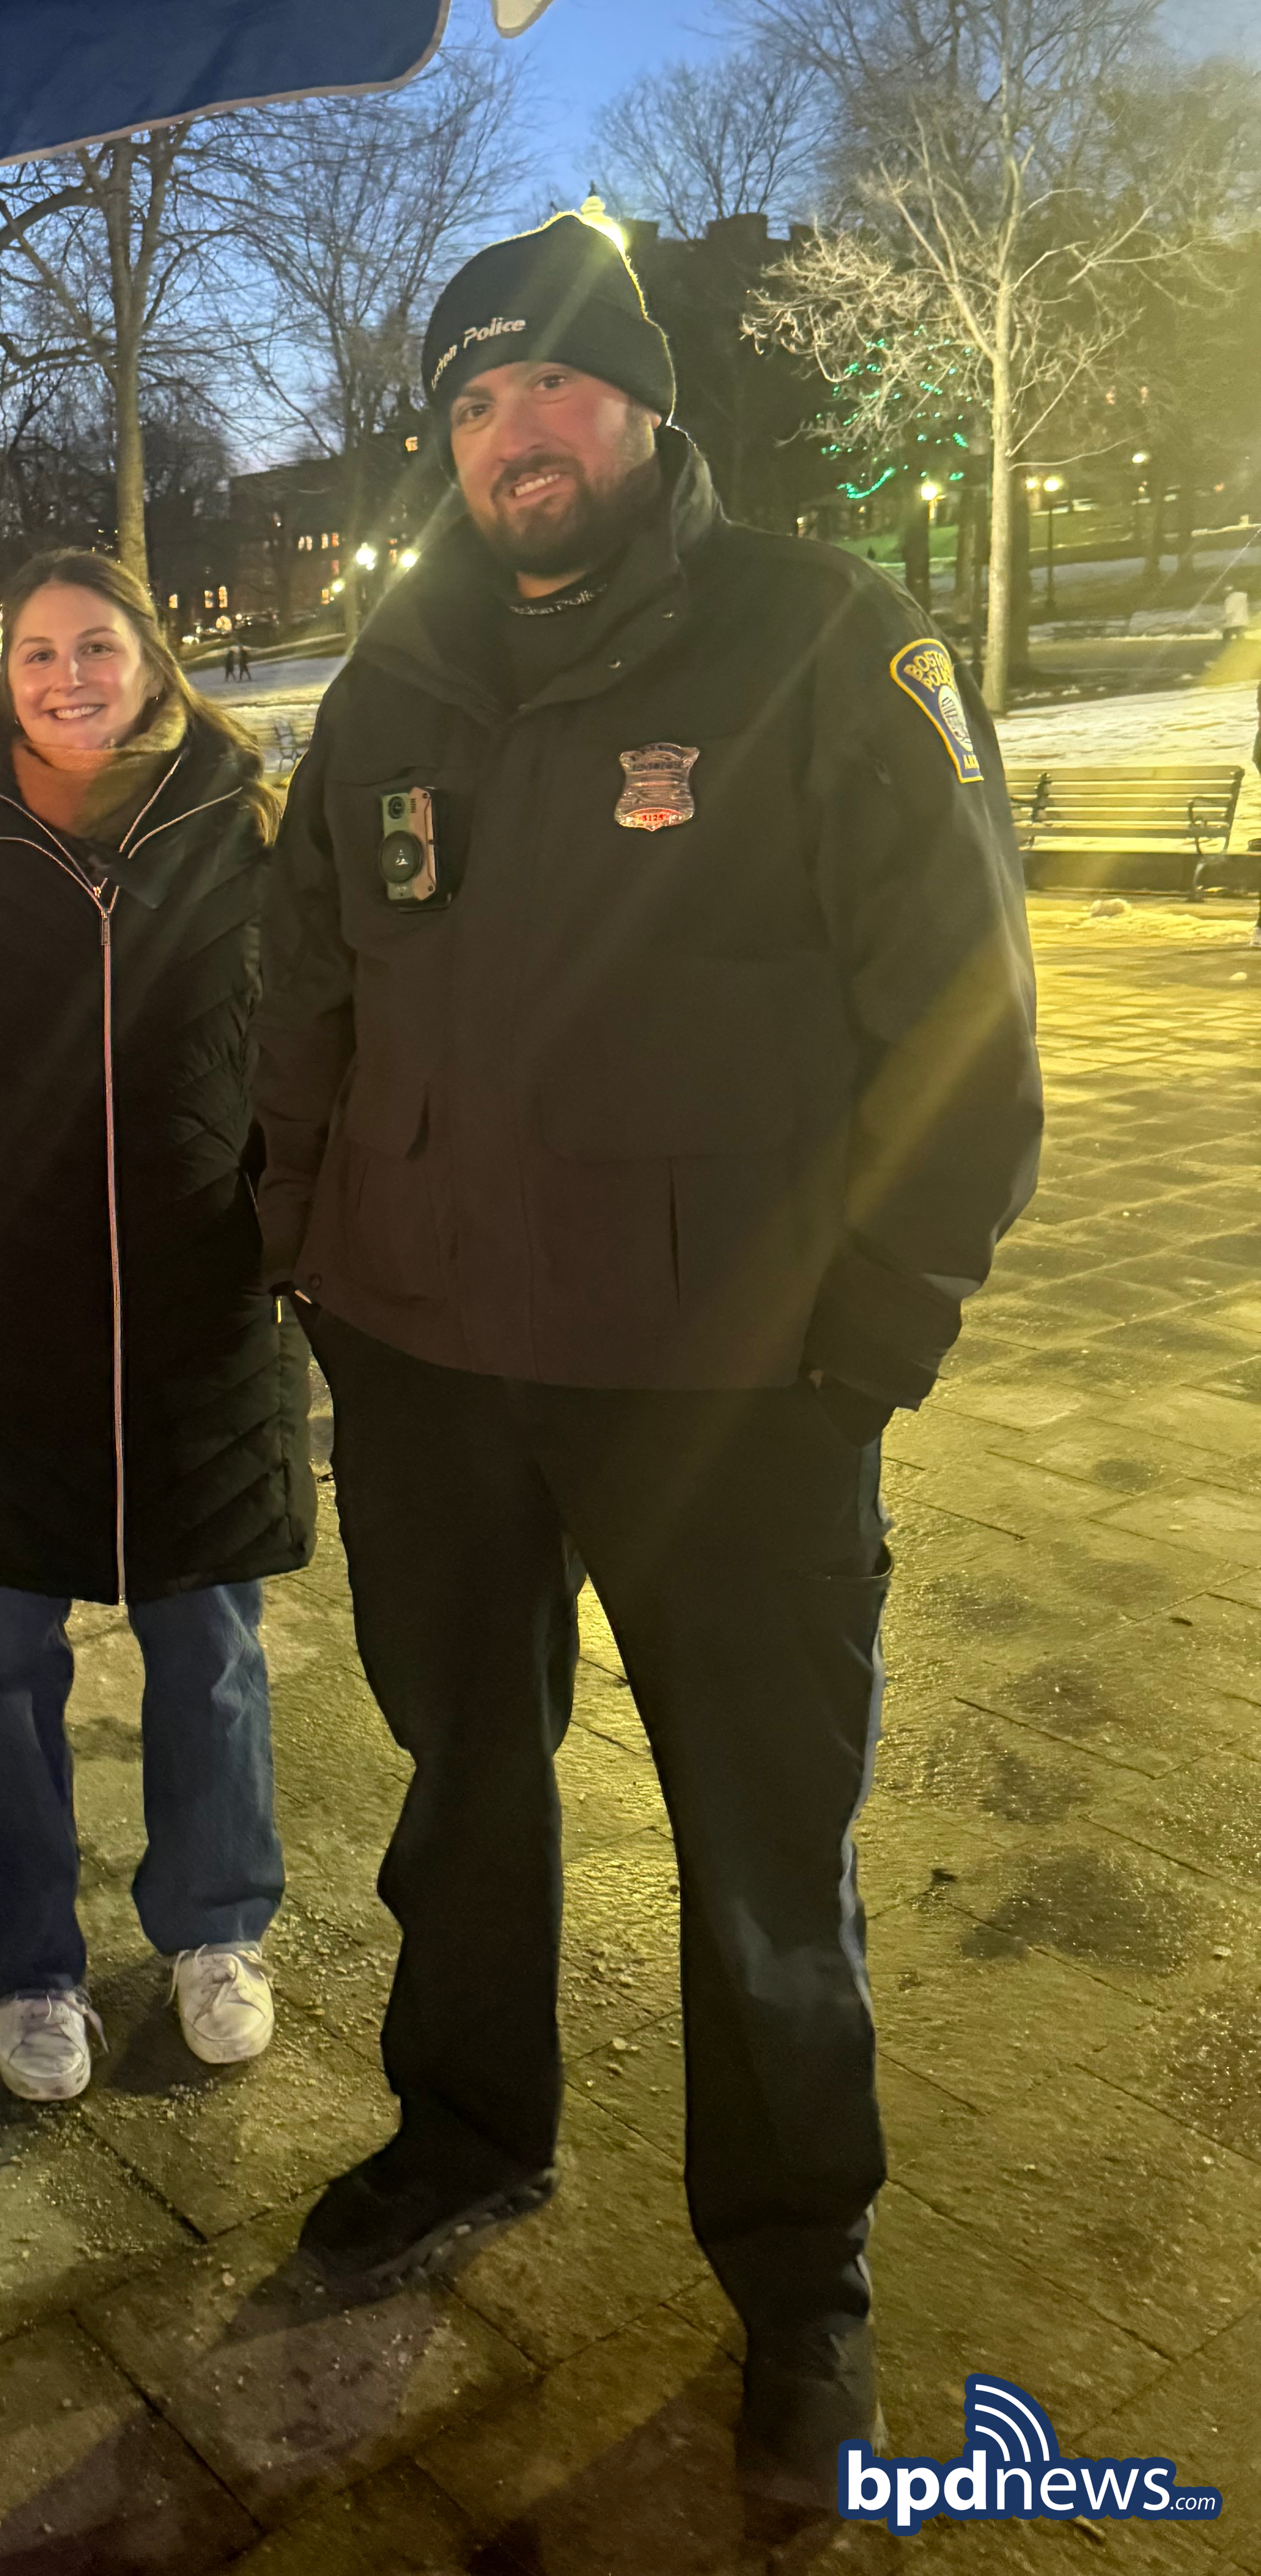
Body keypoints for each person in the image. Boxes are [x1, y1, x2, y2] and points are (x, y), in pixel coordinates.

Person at [255, 214, 1042, 2508]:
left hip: (736, 1398)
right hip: (430, 1375)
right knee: (463, 1795)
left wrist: (883, 1319)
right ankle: (469, 2127)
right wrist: (308, 1247)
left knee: (763, 1862)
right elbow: (305, 983)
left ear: (647, 407)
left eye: (558, 391)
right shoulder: (388, 683)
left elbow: (969, 1012)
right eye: (478, 403)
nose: (518, 435)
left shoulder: (823, 639)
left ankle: (802, 2284)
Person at [0, 552, 314, 2102]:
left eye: (94, 645)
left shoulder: (243, 830)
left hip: (198, 1323)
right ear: (3, 678)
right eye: (34, 653)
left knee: (211, 1650)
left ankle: (214, 1926)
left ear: (153, 660)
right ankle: (31, 1969)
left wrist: (287, 1223)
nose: (66, 677)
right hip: (1, 1342)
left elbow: (326, 1042)